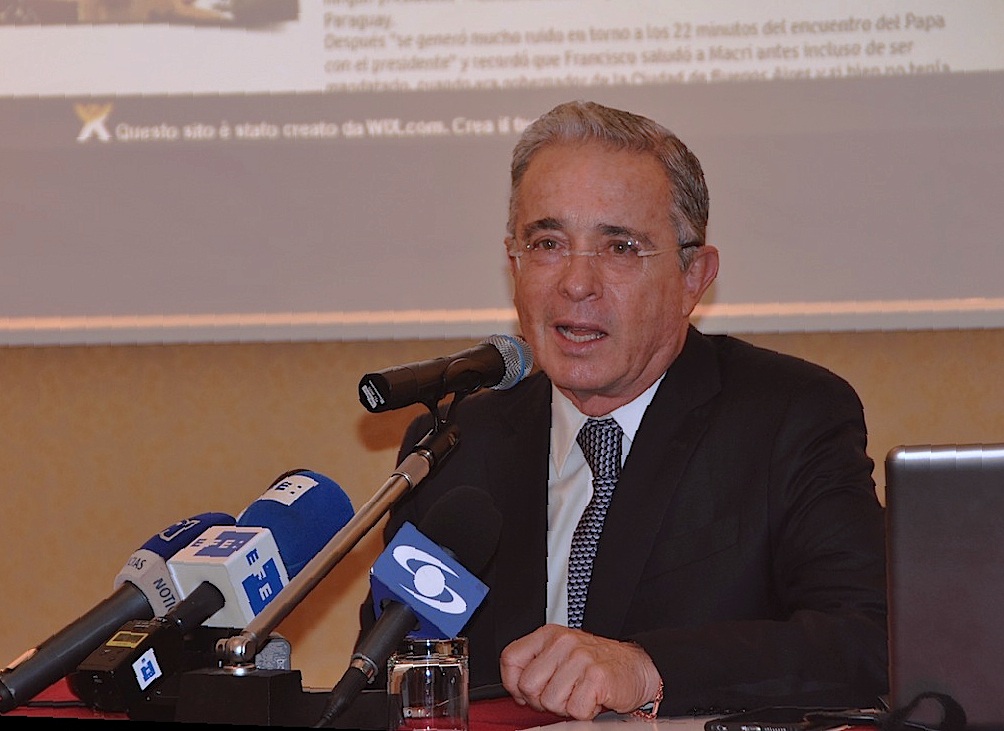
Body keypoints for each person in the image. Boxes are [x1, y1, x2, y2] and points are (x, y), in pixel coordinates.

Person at [360, 100, 887, 719]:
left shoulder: (788, 419)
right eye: (547, 243)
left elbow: (868, 640)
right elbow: (387, 672)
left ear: (694, 278)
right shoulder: (456, 444)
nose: (576, 283)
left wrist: (649, 669)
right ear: (514, 264)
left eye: (619, 248)